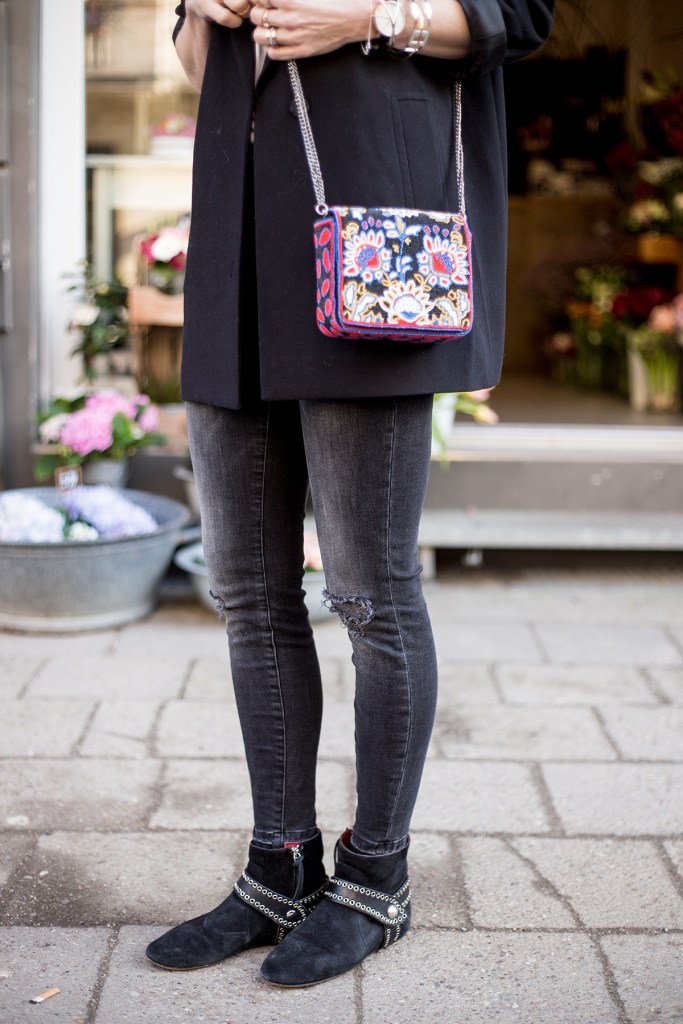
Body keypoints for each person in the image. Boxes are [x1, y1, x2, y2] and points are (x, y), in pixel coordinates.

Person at [146, 0, 555, 988]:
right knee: (247, 590)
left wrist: (362, 16)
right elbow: (203, 72)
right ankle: (279, 867)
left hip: (368, 239)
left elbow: (517, 17)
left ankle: (375, 879)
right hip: (237, 246)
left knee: (369, 592)